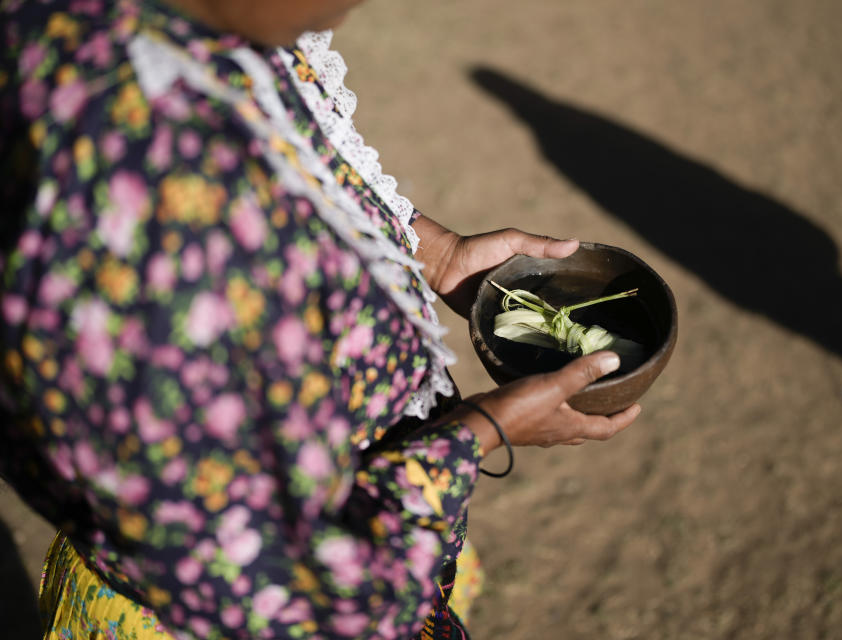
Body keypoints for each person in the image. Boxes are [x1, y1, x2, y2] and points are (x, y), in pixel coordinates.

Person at [0, 0, 643, 638]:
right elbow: (270, 585)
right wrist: (479, 434)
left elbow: (296, 172)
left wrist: (437, 253)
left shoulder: (147, 29)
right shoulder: (139, 186)